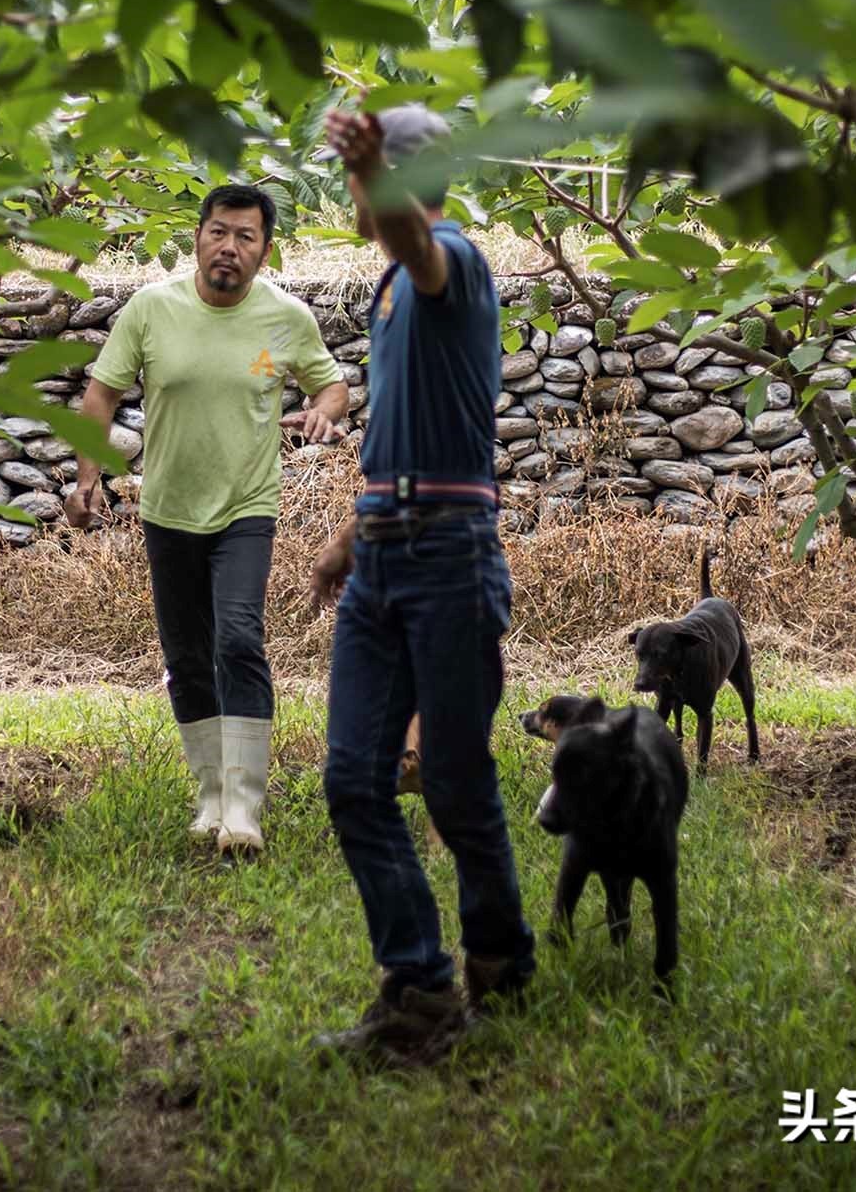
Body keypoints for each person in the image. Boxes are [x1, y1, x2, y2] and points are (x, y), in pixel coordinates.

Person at [308, 102, 535, 1065]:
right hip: (385, 559)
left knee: (451, 779)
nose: (352, 201)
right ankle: (419, 986)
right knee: (355, 779)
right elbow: (398, 438)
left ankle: (501, 958)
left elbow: (418, 240)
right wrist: (347, 538)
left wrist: (374, 175)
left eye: (363, 180)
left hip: (450, 560)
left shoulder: (452, 260)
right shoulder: (391, 291)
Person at [68, 182, 348, 854]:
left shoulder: (285, 318)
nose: (230, 248)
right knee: (187, 658)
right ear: (197, 237)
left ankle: (245, 810)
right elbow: (101, 394)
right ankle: (210, 798)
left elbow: (331, 384)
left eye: (246, 237)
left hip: (246, 507)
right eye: (219, 232)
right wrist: (86, 480)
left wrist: (322, 411)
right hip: (168, 510)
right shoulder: (151, 309)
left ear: (265, 250)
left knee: (238, 642)